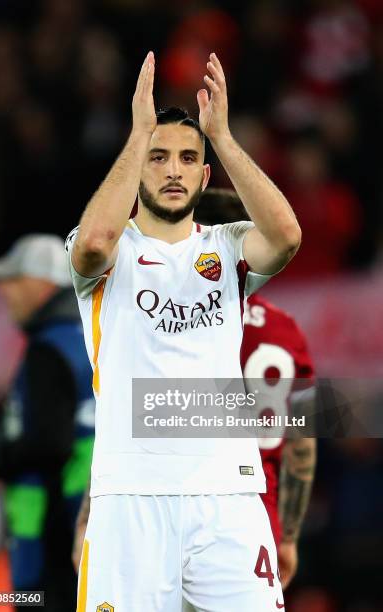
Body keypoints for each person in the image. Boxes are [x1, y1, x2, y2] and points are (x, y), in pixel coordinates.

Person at [67, 51, 301, 611]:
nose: (173, 169)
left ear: (204, 175)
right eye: (158, 157)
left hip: (229, 495)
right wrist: (139, 131)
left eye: (188, 159)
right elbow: (94, 245)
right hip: (131, 496)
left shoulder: (225, 246)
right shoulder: (104, 248)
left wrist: (220, 136)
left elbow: (287, 236)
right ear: (136, 163)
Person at [197, 188, 317, 590]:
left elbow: (128, 420)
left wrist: (89, 516)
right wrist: (289, 535)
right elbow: (302, 440)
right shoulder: (287, 330)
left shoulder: (172, 322)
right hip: (258, 518)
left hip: (183, 509)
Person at [0, 235, 95, 612]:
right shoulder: (92, 339)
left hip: (52, 527)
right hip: (91, 524)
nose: (4, 290)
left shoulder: (48, 348)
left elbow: (49, 442)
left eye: (13, 279)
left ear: (42, 284)